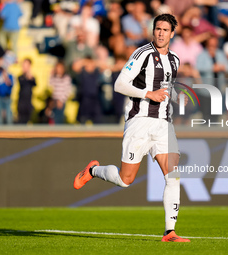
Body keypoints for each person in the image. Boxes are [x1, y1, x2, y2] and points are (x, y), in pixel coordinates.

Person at [73, 13, 190, 243]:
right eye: (158, 28)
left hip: (164, 125)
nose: (160, 33)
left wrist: (177, 97)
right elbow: (119, 84)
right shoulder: (142, 53)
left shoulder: (175, 59)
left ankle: (170, 232)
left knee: (174, 176)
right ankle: (93, 171)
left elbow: (166, 87)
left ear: (172, 34)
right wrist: (149, 94)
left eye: (165, 30)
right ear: (153, 30)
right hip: (139, 122)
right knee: (126, 180)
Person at [18, 58, 36, 124]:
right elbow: (21, 82)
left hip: (28, 102)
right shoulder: (20, 77)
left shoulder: (31, 77)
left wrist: (29, 75)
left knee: (27, 120)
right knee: (21, 120)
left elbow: (34, 84)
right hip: (21, 102)